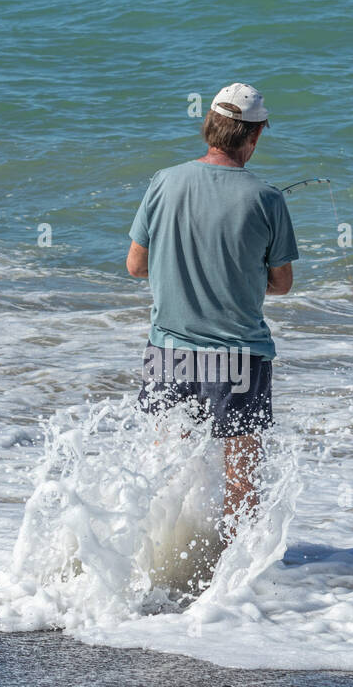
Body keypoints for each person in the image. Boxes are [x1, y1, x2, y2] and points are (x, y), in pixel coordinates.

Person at [126, 82, 299, 539]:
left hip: (169, 352)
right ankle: (233, 579)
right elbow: (281, 284)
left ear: (210, 126)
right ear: (255, 134)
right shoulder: (267, 198)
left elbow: (135, 264)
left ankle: (157, 558)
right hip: (238, 357)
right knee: (241, 478)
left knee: (166, 469)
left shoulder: (164, 181)